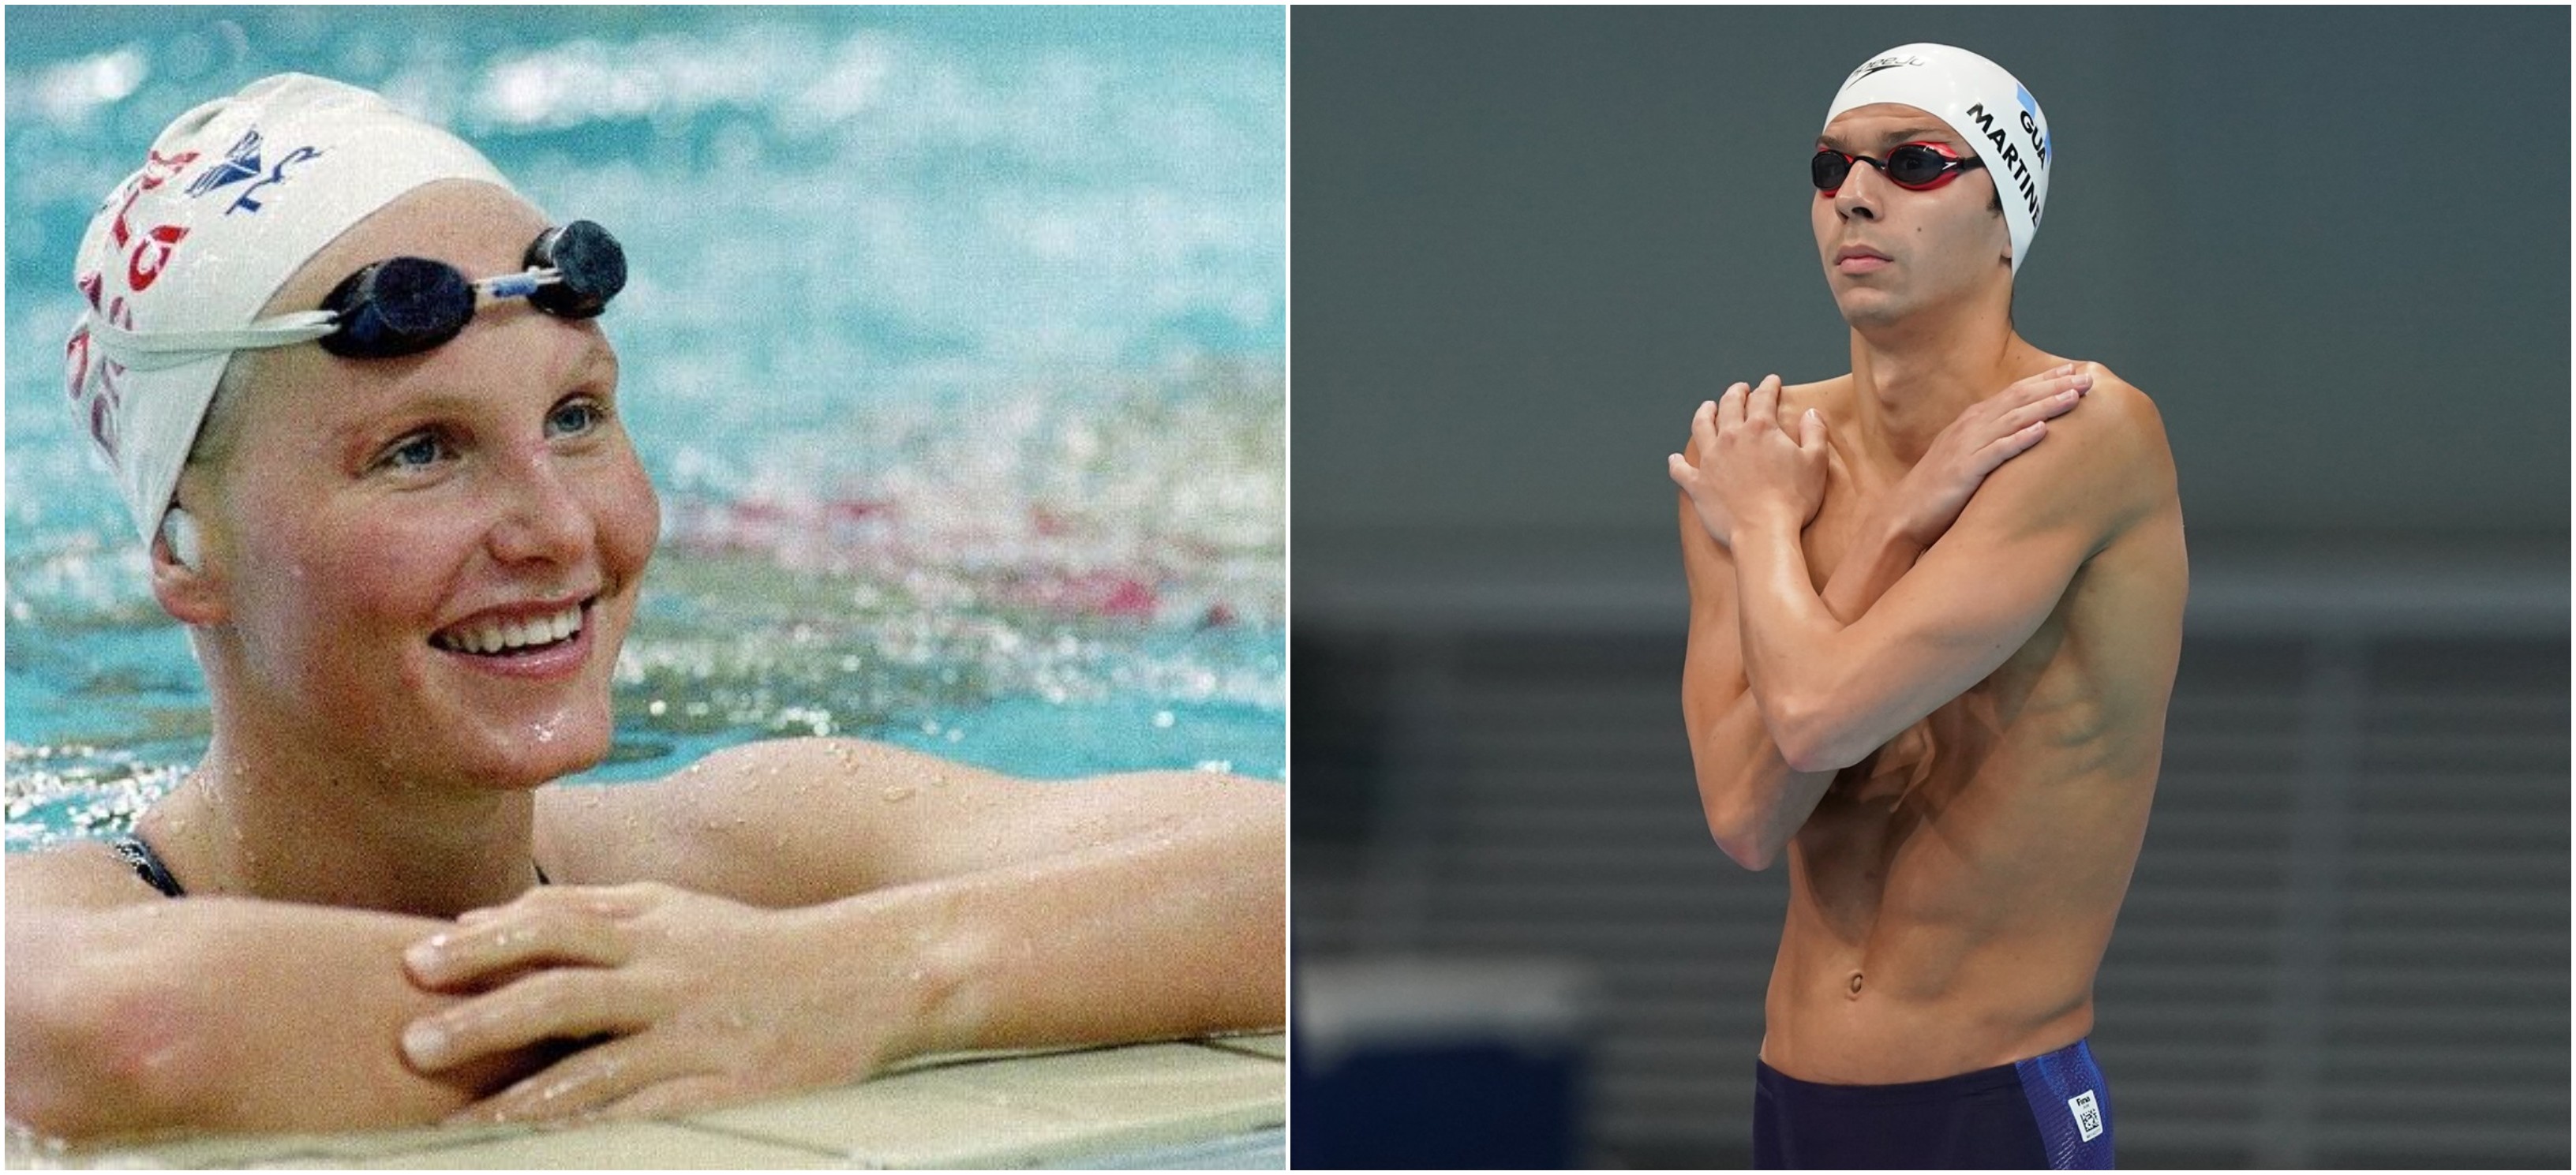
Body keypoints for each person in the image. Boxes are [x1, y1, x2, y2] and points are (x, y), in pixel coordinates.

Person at [6, 74, 1282, 1140]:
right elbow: (127, 1031)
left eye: (576, 418)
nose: (560, 532)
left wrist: (850, 980)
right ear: (182, 549)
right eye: (420, 451)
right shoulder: (72, 905)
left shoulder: (737, 841)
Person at [1664, 44, 2185, 1169]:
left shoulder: (2084, 433)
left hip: (1995, 1104)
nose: (1854, 194)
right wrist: (1894, 526)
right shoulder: (1763, 455)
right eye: (1830, 166)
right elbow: (1749, 818)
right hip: (1793, 1105)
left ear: (2008, 223)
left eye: (1915, 162)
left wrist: (1766, 534)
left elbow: (1813, 718)